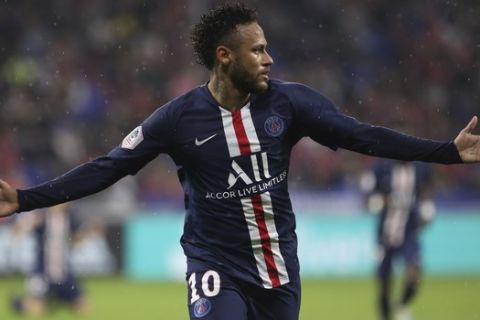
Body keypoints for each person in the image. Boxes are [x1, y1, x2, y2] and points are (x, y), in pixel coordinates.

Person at [0, 3, 479, 319]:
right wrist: (24, 199)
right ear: (225, 56)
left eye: (267, 48)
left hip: (278, 268)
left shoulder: (291, 104)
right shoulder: (176, 119)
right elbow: (108, 166)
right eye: (258, 50)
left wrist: (447, 152)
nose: (269, 59)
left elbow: (363, 137)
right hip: (215, 266)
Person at [362, 160, 436, 320]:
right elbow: (367, 198)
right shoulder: (380, 168)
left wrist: (427, 208)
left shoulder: (420, 169)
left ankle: (401, 304)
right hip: (385, 235)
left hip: (409, 233)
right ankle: (387, 316)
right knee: (384, 286)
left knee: (414, 272)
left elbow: (427, 189)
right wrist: (381, 202)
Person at [10, 203, 91, 316]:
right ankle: (21, 305)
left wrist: (84, 234)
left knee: (83, 306)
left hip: (63, 271)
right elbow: (24, 226)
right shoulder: (43, 217)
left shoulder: (70, 218)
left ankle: (56, 301)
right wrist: (25, 226)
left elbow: (77, 239)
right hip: (42, 270)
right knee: (37, 308)